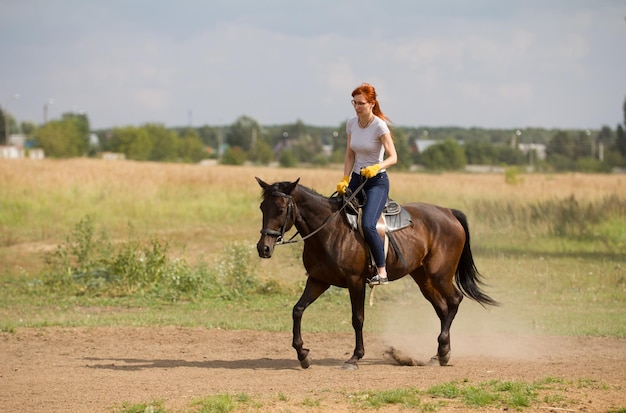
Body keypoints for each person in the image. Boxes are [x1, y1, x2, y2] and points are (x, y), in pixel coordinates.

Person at [336, 83, 398, 286]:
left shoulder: (379, 126)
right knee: (334, 213)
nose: (357, 107)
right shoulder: (351, 123)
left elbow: (393, 157)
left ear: (372, 104)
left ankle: (381, 271)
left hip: (376, 182)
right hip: (356, 178)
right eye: (354, 102)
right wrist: (345, 178)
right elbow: (349, 154)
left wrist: (377, 167)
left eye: (361, 103)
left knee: (368, 224)